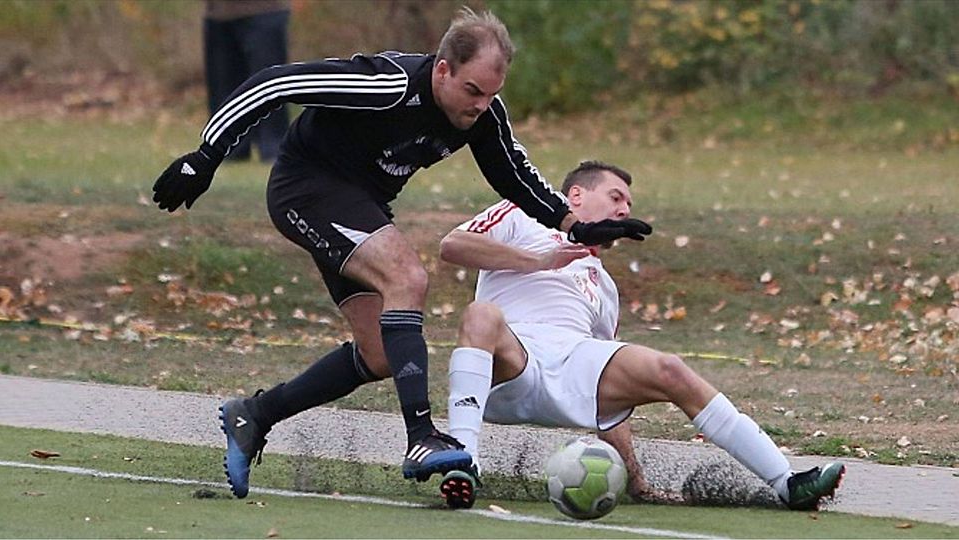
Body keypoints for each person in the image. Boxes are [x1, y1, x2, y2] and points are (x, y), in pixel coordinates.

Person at [152, 8, 652, 499]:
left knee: (378, 353)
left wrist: (576, 225)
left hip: (360, 205)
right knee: (407, 278)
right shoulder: (387, 83)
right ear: (443, 69)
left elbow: (515, 177)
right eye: (472, 91)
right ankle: (421, 438)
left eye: (491, 94)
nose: (480, 105)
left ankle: (255, 415)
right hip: (306, 189)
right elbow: (273, 84)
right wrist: (206, 156)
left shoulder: (482, 115)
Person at [436, 160, 845, 511]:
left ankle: (787, 483)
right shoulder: (521, 212)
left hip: (571, 363)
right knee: (481, 314)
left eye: (629, 205)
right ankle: (464, 462)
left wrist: (635, 480)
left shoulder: (605, 287)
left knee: (669, 369)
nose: (624, 209)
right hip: (509, 359)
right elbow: (452, 246)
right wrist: (540, 261)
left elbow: (608, 392)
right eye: (616, 197)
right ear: (575, 196)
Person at [203, 0, 291, 163]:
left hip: (265, 10)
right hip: (218, 13)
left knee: (268, 84)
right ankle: (228, 148)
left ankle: (273, 147)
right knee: (224, 87)